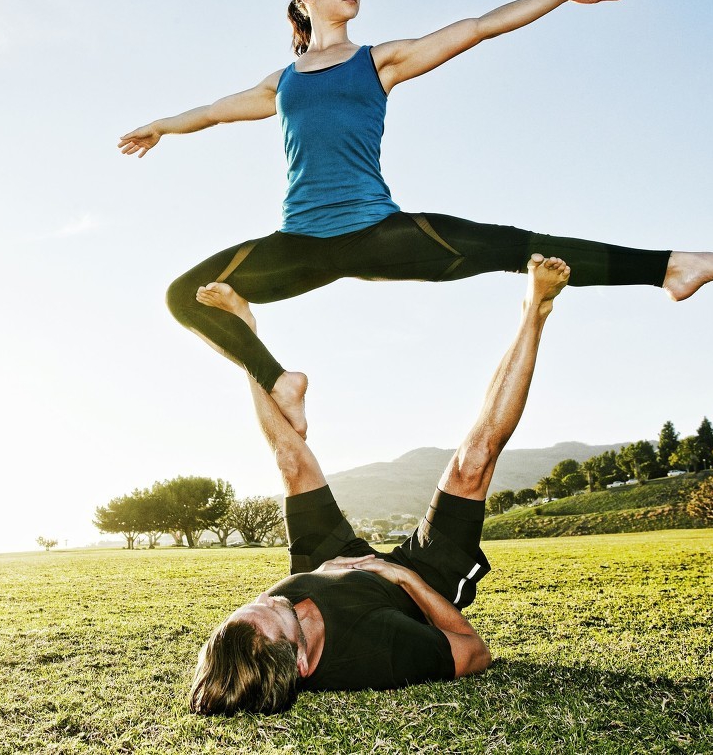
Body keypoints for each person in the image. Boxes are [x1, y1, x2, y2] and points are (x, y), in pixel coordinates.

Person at [118, 0, 713, 437]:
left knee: (516, 247)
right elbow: (210, 110)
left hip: (380, 233)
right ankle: (279, 379)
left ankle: (670, 268)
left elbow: (479, 26)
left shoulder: (381, 60)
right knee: (183, 296)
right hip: (301, 246)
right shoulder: (281, 82)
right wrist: (161, 127)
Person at [187, 254, 572, 715]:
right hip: (412, 586)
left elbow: (266, 615)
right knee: (473, 462)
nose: (269, 597)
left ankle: (244, 334)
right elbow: (475, 651)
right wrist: (403, 575)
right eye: (272, 611)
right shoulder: (377, 653)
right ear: (303, 659)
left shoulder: (260, 629)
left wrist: (324, 574)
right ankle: (536, 309)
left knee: (291, 463)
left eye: (253, 604)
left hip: (333, 562)